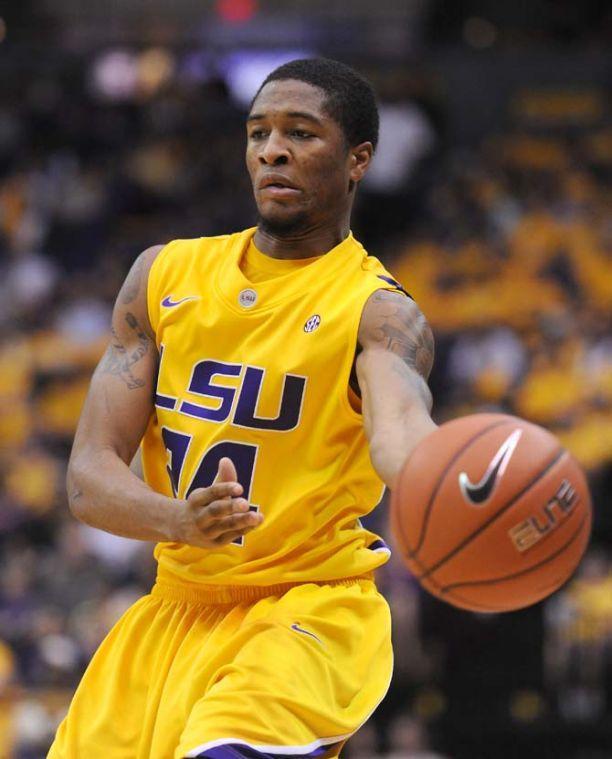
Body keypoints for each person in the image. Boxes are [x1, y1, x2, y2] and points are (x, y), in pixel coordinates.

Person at [48, 58, 436, 759]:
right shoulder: (161, 276)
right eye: (259, 132)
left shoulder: (378, 312)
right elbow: (86, 476)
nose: (272, 150)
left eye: (301, 133)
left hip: (306, 611)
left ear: (359, 160)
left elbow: (400, 431)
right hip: (174, 611)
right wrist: (177, 519)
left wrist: (449, 474)